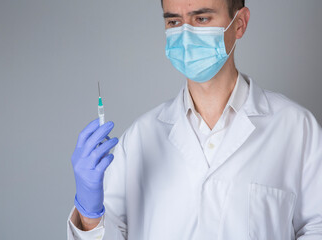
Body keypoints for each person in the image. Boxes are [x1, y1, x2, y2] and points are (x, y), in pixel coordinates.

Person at [67, 0, 322, 239]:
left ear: (240, 24)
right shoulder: (139, 139)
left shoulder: (297, 128)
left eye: (201, 18)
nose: (186, 36)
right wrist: (89, 214)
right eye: (174, 22)